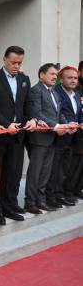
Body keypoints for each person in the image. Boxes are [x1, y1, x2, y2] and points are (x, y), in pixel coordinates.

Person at [0, 46, 37, 225]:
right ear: (4, 59)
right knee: (0, 173)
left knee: (14, 172)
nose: (16, 66)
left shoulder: (24, 79)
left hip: (19, 133)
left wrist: (31, 119)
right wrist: (7, 124)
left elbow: (27, 103)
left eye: (19, 63)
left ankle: (11, 205)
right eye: (13, 62)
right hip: (0, 133)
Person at [24, 63, 68, 214]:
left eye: (56, 75)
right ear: (41, 74)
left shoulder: (54, 93)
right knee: (35, 171)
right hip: (39, 138)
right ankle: (30, 202)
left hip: (52, 138)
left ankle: (40, 201)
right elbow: (36, 112)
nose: (55, 77)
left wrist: (66, 124)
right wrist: (56, 126)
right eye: (51, 74)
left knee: (45, 172)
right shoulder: (35, 91)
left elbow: (58, 113)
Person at [47, 66, 83, 205]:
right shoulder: (56, 92)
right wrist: (67, 124)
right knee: (55, 168)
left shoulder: (77, 94)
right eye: (70, 78)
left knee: (66, 167)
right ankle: (52, 195)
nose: (73, 81)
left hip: (73, 136)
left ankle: (61, 193)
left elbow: (79, 113)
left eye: (75, 78)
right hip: (59, 136)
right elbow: (57, 112)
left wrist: (81, 123)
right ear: (61, 79)